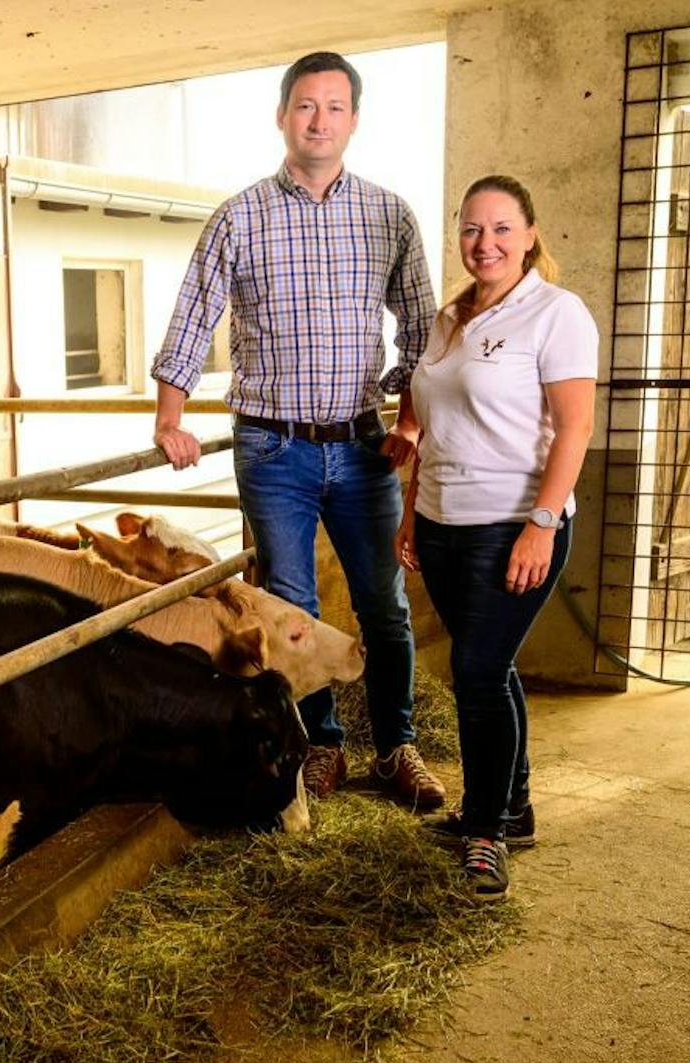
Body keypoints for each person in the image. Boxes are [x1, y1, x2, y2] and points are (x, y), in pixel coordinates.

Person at [150, 50, 445, 807]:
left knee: (383, 603)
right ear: (282, 116)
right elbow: (194, 312)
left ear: (353, 119)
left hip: (362, 442)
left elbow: (420, 330)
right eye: (305, 105)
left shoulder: (388, 214)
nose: (320, 119)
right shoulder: (241, 214)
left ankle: (398, 746)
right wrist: (170, 416)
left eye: (335, 106)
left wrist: (409, 421)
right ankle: (320, 750)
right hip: (272, 446)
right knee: (289, 606)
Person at [392, 175, 597, 902]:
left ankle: (484, 831)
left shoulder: (556, 313)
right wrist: (413, 511)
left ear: (531, 234)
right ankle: (515, 807)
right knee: (494, 669)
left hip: (514, 524)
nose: (486, 243)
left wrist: (542, 524)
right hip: (445, 522)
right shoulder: (450, 319)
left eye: (502, 228)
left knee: (477, 674)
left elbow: (574, 427)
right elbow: (432, 424)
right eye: (473, 229)